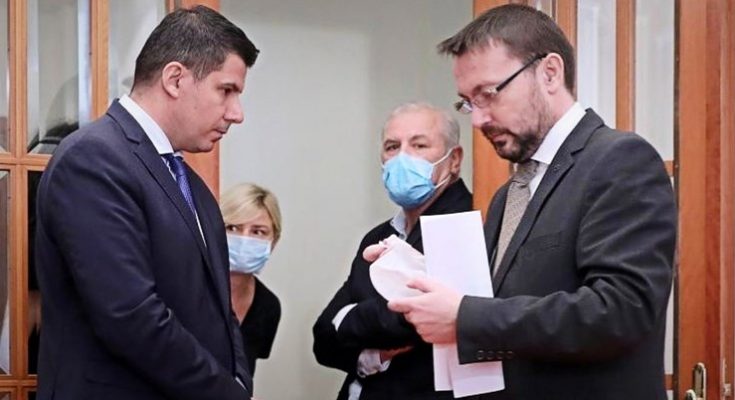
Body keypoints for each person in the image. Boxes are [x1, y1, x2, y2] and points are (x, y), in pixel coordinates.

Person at [387, 5, 677, 400]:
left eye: (489, 94)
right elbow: (504, 302)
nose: (478, 120)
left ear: (550, 73)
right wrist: (412, 270)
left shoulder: (620, 159)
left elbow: (621, 311)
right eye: (468, 102)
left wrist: (464, 318)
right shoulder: (509, 194)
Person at [34, 6, 259, 399]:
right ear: (175, 79)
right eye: (226, 91)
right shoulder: (93, 159)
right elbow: (130, 315)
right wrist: (225, 392)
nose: (236, 114)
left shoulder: (190, 183)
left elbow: (220, 311)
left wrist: (240, 380)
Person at [313, 102, 472, 400]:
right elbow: (323, 340)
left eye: (419, 145)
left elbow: (410, 320)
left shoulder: (466, 224)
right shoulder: (377, 236)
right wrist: (373, 356)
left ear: (454, 160)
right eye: (392, 147)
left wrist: (347, 318)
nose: (402, 158)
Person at [220, 183, 282, 377]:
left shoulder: (268, 306)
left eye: (258, 232)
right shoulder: (186, 289)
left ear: (274, 241)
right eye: (232, 227)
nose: (244, 239)